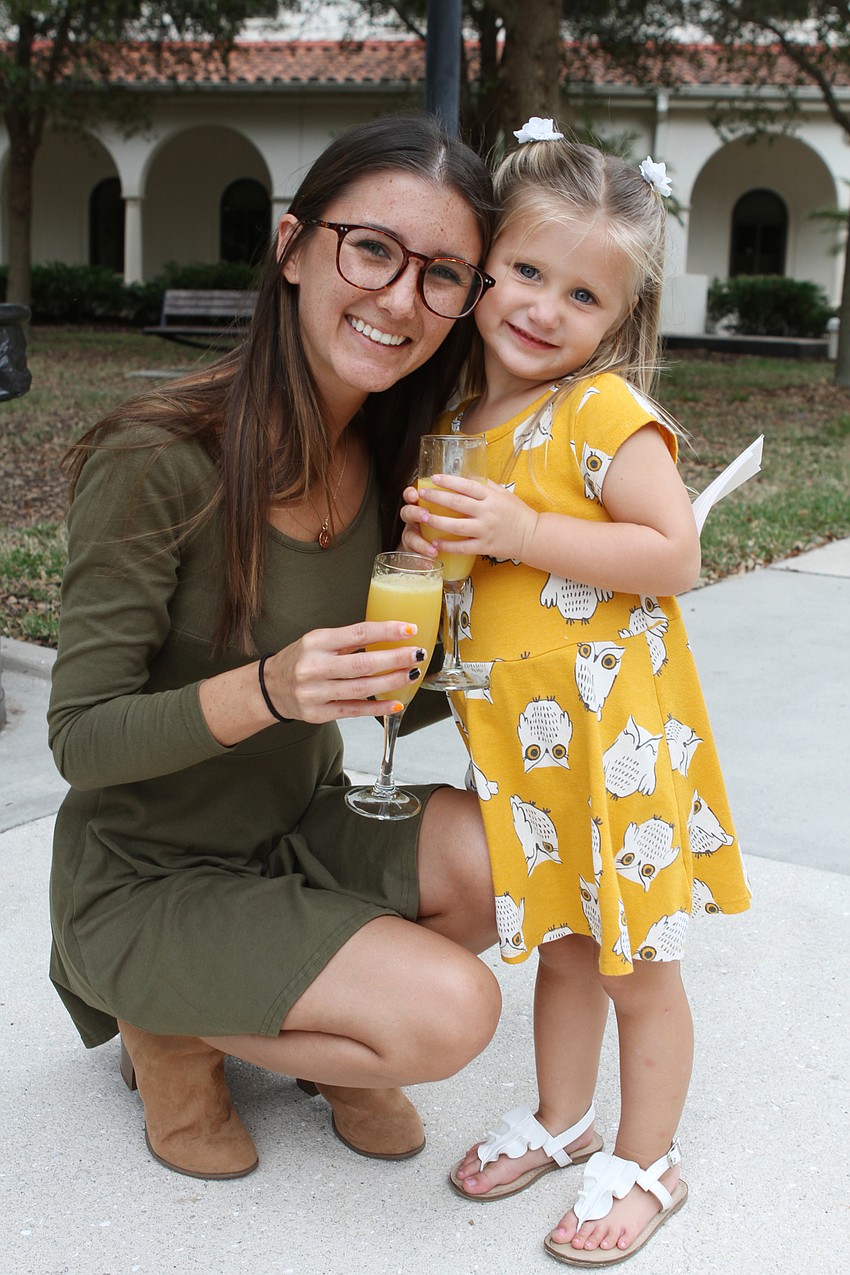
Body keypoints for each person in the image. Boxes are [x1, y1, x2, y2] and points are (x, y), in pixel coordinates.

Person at [47, 112, 503, 1182]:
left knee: (513, 857)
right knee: (452, 1014)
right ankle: (165, 1023)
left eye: (443, 274)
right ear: (293, 247)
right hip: (146, 874)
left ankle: (297, 1002)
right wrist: (267, 688)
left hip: (297, 830)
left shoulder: (396, 460)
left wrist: (509, 617)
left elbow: (393, 696)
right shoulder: (161, 456)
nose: (401, 299)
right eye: (373, 249)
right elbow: (78, 740)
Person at [400, 121, 751, 1265]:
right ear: (485, 265)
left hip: (617, 747)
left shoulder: (599, 413)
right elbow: (473, 586)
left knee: (634, 965)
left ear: (619, 317)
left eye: (584, 295)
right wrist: (436, 564)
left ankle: (649, 1163)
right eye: (527, 271)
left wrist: (520, 528)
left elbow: (672, 554)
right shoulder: (457, 423)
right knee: (559, 945)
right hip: (525, 752)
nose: (545, 309)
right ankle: (564, 1119)